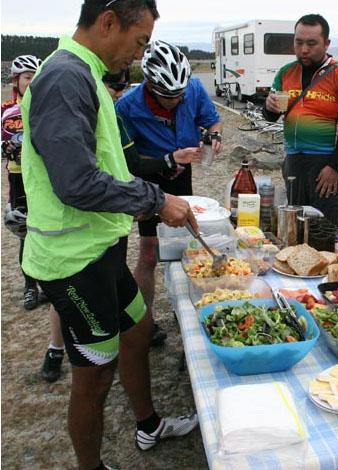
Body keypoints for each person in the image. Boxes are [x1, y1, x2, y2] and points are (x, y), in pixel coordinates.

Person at [20, 2, 199, 469]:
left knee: (138, 330)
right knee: (93, 378)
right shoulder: (64, 78)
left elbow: (109, 163)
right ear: (107, 22)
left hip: (99, 251)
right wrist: (158, 200)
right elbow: (75, 181)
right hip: (73, 262)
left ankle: (148, 424)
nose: (138, 57)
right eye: (139, 42)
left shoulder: (85, 73)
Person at [115, 40, 222, 346]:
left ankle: (187, 308)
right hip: (148, 178)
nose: (176, 101)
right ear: (149, 86)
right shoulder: (126, 108)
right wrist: (166, 161)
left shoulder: (195, 88)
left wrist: (214, 134)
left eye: (180, 95)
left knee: (185, 247)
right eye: (167, 96)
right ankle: (143, 323)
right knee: (149, 252)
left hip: (181, 172)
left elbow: (211, 119)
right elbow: (128, 163)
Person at [263, 14, 338, 230]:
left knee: (329, 228)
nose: (304, 49)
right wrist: (268, 107)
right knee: (298, 224)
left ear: (326, 44)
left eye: (311, 43)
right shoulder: (285, 72)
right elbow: (271, 116)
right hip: (294, 161)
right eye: (299, 42)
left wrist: (335, 166)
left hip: (326, 162)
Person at [2, 55, 48, 310]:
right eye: (28, 78)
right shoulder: (6, 109)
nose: (32, 83)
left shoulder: (47, 107)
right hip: (19, 176)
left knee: (46, 228)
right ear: (16, 80)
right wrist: (4, 146)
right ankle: (30, 287)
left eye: (36, 78)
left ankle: (49, 283)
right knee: (24, 231)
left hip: (43, 177)